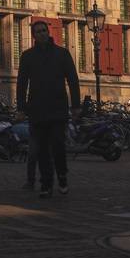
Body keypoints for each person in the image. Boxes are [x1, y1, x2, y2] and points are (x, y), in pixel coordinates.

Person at [16, 19, 81, 198]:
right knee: (42, 149)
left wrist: (76, 106)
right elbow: (21, 84)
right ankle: (46, 183)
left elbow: (73, 80)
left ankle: (62, 175)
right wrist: (21, 108)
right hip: (37, 108)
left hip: (57, 107)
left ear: (48, 32)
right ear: (34, 36)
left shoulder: (62, 54)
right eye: (38, 31)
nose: (42, 33)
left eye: (44, 30)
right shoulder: (27, 56)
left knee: (58, 145)